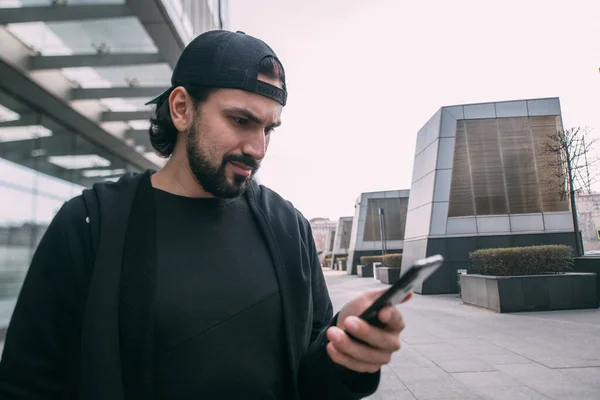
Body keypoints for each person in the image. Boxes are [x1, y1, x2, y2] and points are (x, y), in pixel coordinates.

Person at [0, 30, 411, 400]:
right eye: (240, 120)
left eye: (269, 129)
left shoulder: (288, 228)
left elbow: (310, 378)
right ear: (181, 109)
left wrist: (347, 353)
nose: (258, 148)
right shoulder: (92, 223)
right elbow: (26, 382)